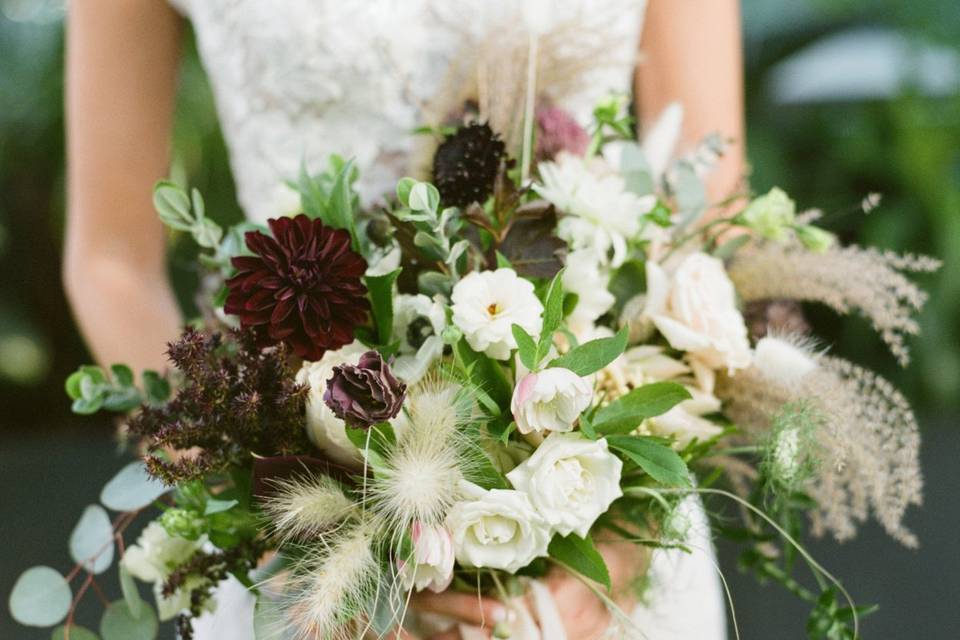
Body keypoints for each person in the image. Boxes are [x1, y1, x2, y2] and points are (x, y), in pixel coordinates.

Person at [64, 1, 744, 638]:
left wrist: (623, 538)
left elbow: (709, 210)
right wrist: (261, 504)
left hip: (603, 512)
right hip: (300, 545)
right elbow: (110, 263)